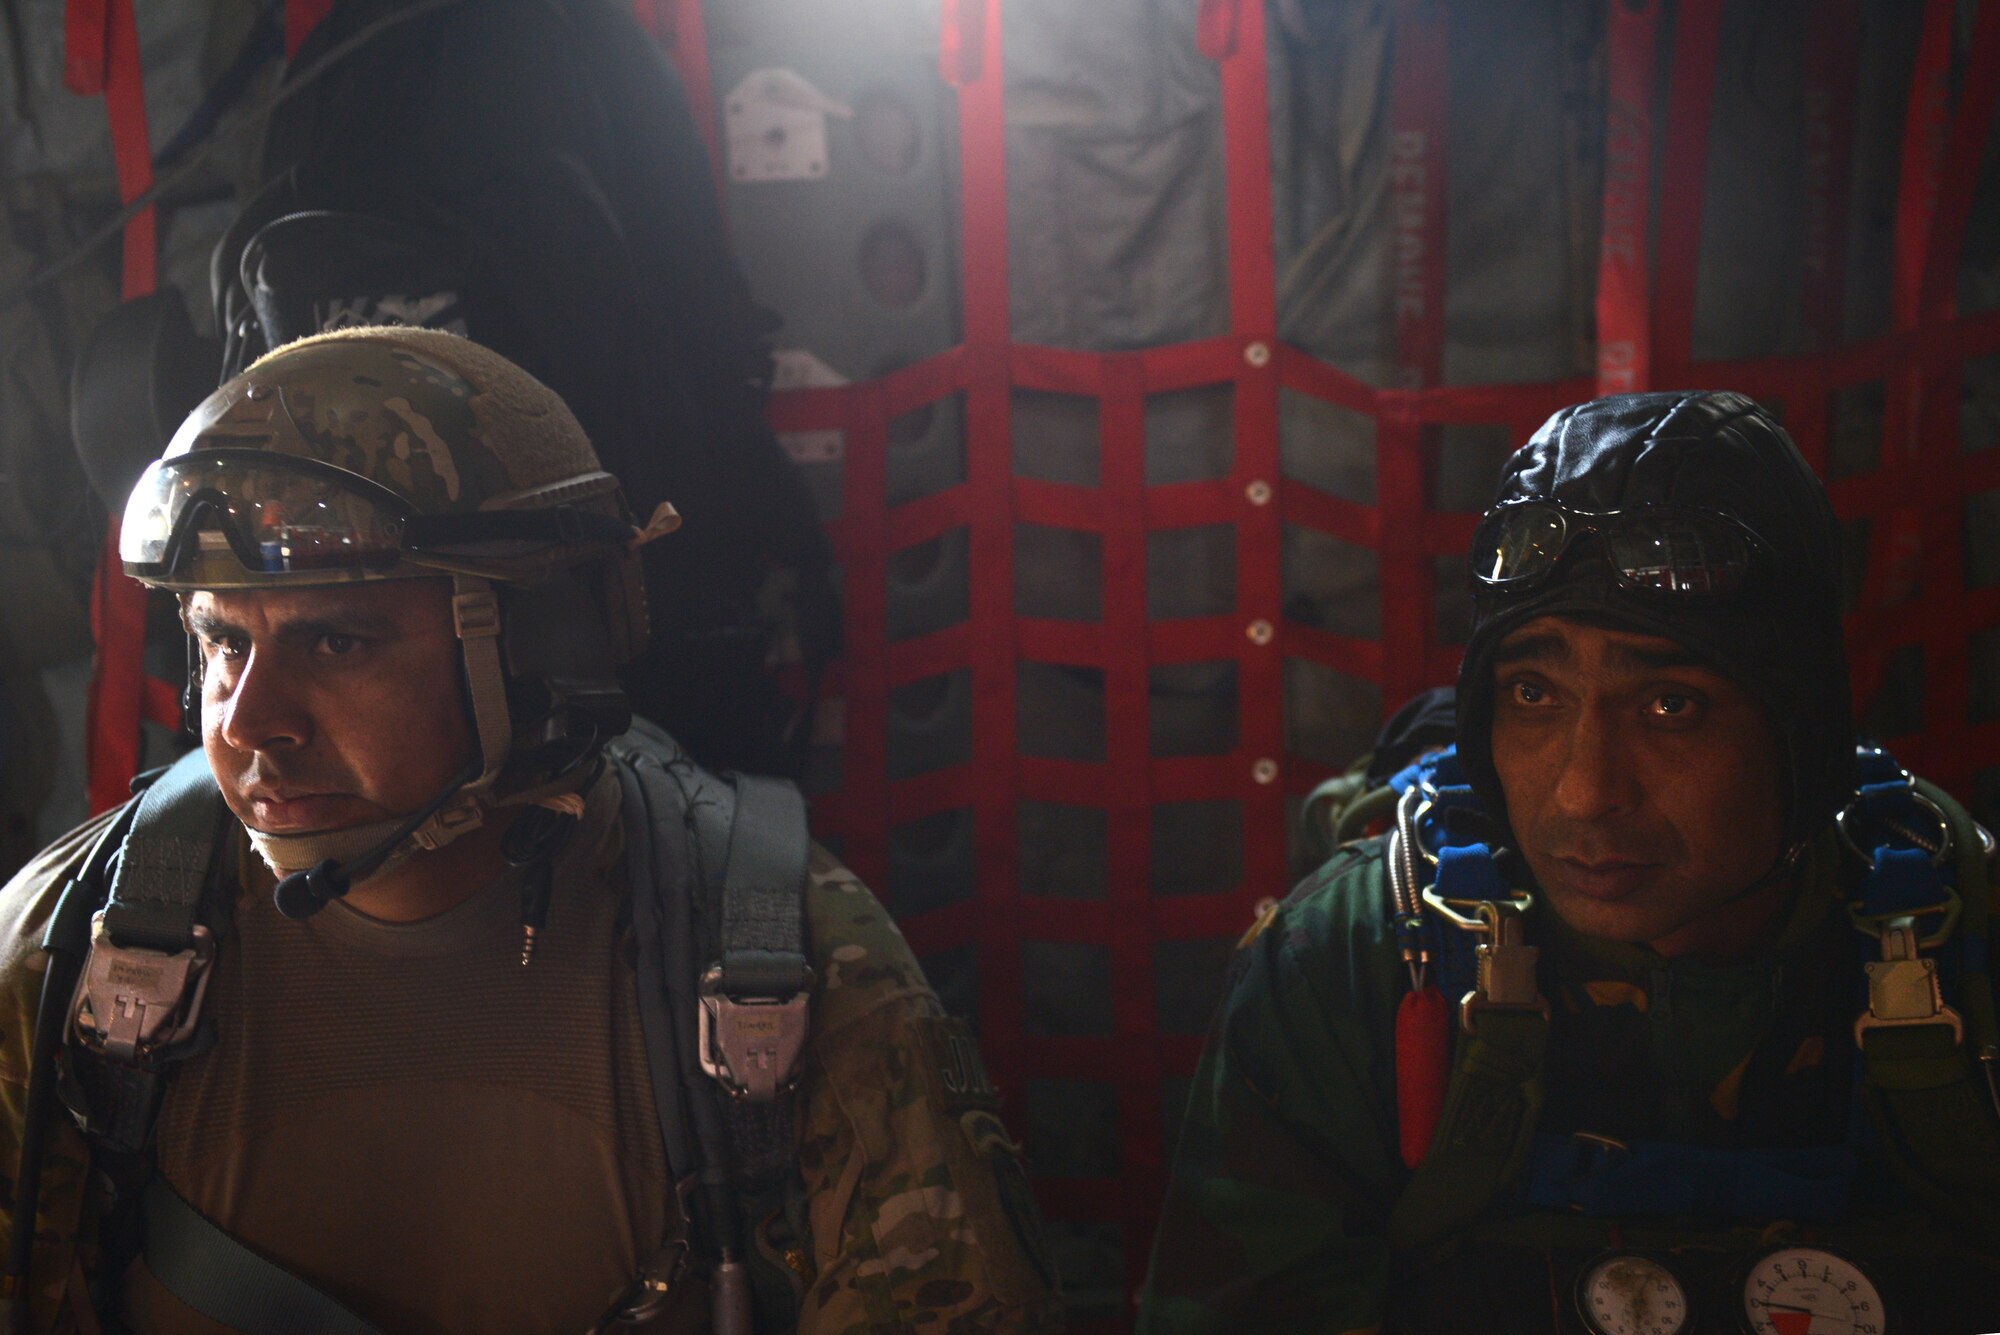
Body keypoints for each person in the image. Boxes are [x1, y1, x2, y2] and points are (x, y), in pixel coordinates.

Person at [0, 326, 1064, 1334]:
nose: (246, 722)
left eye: (335, 643)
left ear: (540, 650)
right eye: (224, 643)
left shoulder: (776, 967)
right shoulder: (73, 947)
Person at [1139, 391, 2000, 1334]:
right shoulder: (1353, 960)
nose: (1586, 792)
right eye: (1533, 693)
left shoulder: (1970, 945)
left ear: (1803, 728)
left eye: (1671, 705)